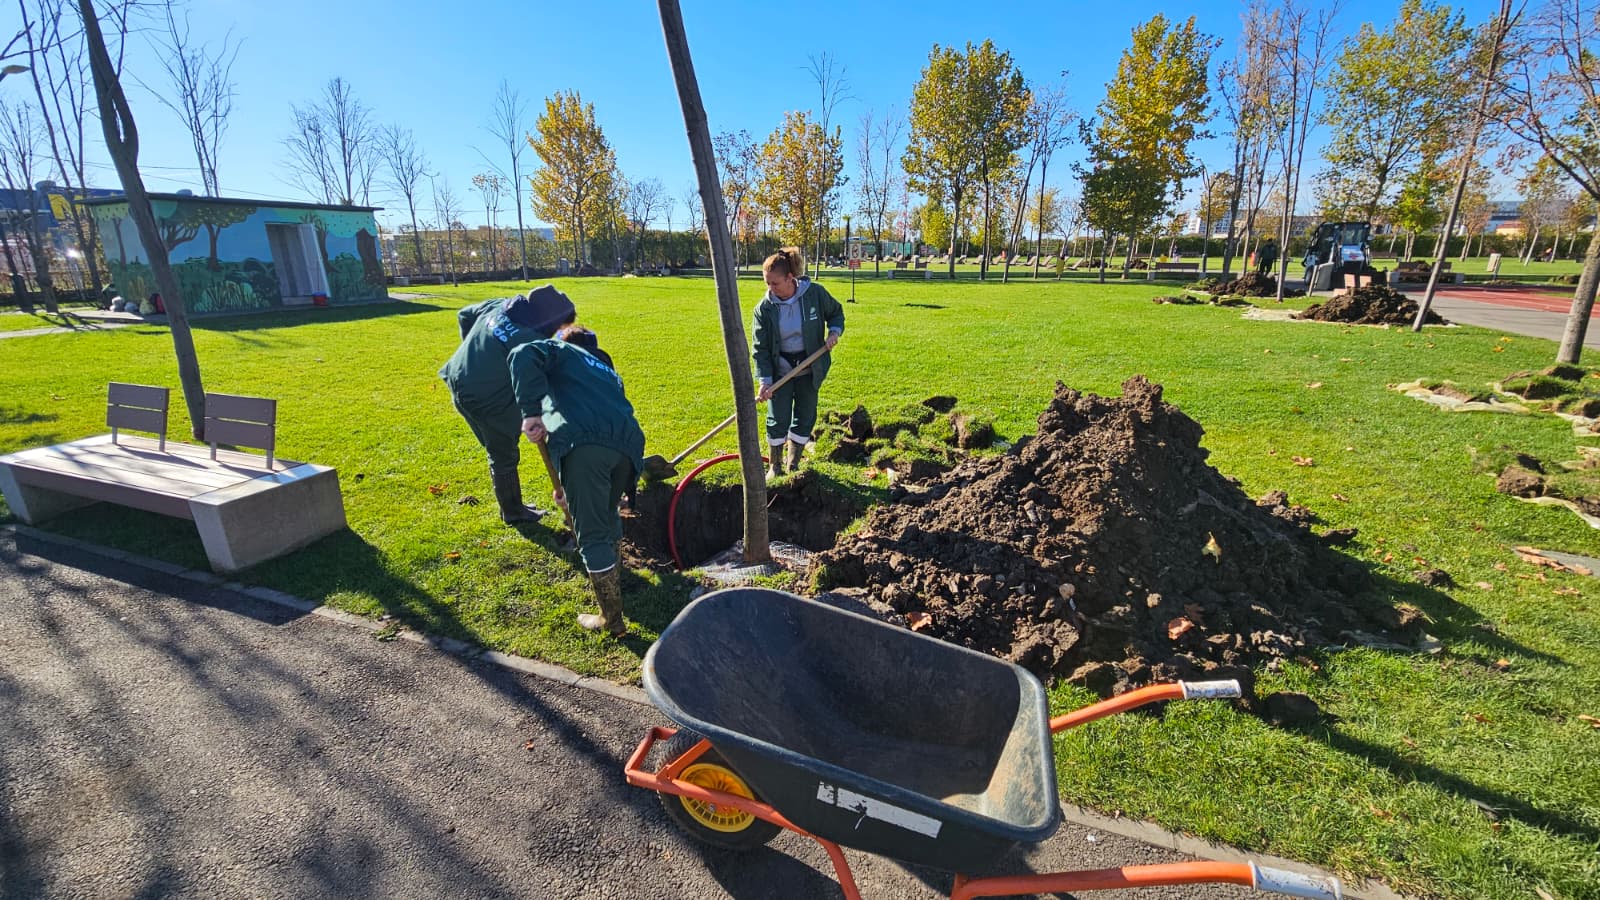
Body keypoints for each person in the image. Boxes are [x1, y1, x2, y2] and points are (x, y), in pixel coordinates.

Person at [510, 330, 646, 637]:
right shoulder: (605, 371)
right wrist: (568, 485)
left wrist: (530, 414)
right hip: (628, 448)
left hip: (587, 449)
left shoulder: (560, 352)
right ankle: (613, 591)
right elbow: (570, 413)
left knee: (592, 535)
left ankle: (611, 619)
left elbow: (522, 353)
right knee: (607, 515)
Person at [439, 285, 576, 525]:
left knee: (497, 443)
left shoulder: (500, 306)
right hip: (485, 398)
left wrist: (475, 356)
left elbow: (464, 315)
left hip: (457, 375)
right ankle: (513, 512)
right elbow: (536, 384)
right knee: (503, 453)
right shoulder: (529, 341)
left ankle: (513, 506)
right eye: (559, 327)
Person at [751, 247, 844, 479]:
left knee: (805, 415)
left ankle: (793, 465)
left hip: (809, 367)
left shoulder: (815, 294)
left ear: (790, 278)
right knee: (777, 417)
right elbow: (760, 348)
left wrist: (834, 331)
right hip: (780, 370)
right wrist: (765, 380)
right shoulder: (764, 308)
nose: (770, 289)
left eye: (775, 283)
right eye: (767, 283)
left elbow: (836, 312)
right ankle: (775, 466)